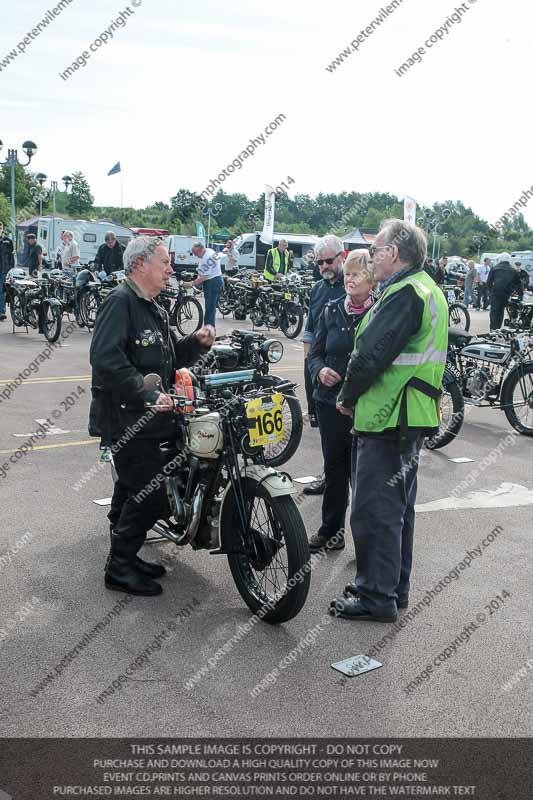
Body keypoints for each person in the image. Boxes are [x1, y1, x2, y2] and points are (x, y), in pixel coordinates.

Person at [331, 219, 448, 623]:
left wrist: (347, 396)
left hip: (388, 417)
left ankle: (375, 596)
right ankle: (390, 588)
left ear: (393, 254)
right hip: (408, 417)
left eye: (376, 250)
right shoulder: (425, 288)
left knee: (373, 510)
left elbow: (370, 356)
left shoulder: (403, 294)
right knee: (397, 509)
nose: (371, 256)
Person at [89, 236, 215, 597]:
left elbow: (171, 357)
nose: (170, 269)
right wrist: (146, 393)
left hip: (149, 420)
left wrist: (197, 343)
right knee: (151, 495)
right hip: (126, 419)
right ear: (140, 264)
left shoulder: (154, 307)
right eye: (164, 262)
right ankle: (119, 568)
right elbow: (106, 360)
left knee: (131, 487)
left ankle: (125, 551)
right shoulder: (120, 302)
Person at [307, 250, 375, 552]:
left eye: (357, 274)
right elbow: (315, 353)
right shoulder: (331, 309)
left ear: (372, 279)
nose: (350, 279)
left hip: (367, 404)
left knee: (364, 476)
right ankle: (330, 531)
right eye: (347, 273)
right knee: (334, 469)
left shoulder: (380, 313)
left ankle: (366, 543)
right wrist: (319, 370)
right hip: (330, 403)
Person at [302, 235, 346, 493]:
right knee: (324, 427)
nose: (324, 267)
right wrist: (310, 366)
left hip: (343, 369)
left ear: (342, 256)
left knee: (348, 430)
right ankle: (329, 476)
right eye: (320, 263)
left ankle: (345, 479)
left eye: (329, 261)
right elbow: (309, 331)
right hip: (318, 367)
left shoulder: (352, 285)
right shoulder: (317, 289)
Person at [183, 241, 223, 328]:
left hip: (212, 282)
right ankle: (210, 329)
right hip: (216, 280)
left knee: (209, 310)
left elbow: (204, 276)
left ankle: (208, 331)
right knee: (211, 309)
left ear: (200, 250)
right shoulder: (209, 251)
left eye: (196, 253)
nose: (195, 255)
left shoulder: (207, 258)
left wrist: (192, 283)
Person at [487, 253, 523, 332]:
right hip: (506, 294)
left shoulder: (494, 268)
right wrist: (520, 296)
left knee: (494, 311)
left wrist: (491, 292)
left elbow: (489, 282)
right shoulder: (513, 270)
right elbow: (519, 284)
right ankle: (498, 329)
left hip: (495, 293)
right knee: (501, 311)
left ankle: (493, 329)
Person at [0, 222, 15, 321]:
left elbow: (11, 256)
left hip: (4, 270)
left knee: (2, 291)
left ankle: (1, 311)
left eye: (0, 227)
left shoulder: (7, 241)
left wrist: (12, 270)